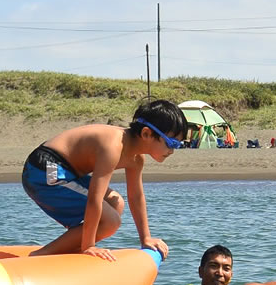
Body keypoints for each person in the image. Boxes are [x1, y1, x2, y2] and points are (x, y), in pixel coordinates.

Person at [21, 99, 186, 261]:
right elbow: (95, 198)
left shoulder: (136, 159)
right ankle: (42, 255)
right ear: (146, 134)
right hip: (44, 170)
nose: (172, 151)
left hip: (65, 172)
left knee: (116, 203)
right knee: (111, 221)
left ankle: (72, 246)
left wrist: (146, 238)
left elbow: (136, 197)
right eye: (171, 143)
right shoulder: (113, 147)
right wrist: (89, 246)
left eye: (179, 145)